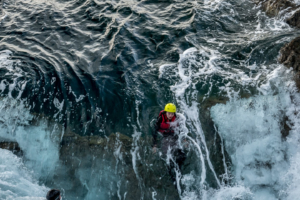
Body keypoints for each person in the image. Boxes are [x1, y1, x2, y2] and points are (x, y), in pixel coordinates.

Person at [152, 103, 186, 169]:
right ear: (165, 112)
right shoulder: (161, 119)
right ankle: (171, 171)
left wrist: (184, 139)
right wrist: (154, 145)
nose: (170, 115)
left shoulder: (177, 118)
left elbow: (182, 129)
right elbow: (154, 131)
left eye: (172, 113)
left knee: (182, 155)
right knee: (167, 156)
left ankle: (179, 167)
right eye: (169, 113)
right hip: (165, 136)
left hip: (174, 135)